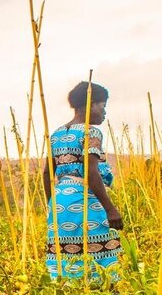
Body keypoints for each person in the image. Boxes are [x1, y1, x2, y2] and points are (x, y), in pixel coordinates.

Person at [43, 81, 123, 280]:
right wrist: (110, 208)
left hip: (59, 202)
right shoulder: (91, 132)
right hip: (83, 198)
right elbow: (91, 173)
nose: (104, 113)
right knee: (102, 254)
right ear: (90, 105)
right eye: (102, 107)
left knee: (68, 256)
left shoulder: (56, 134)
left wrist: (52, 205)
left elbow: (47, 173)